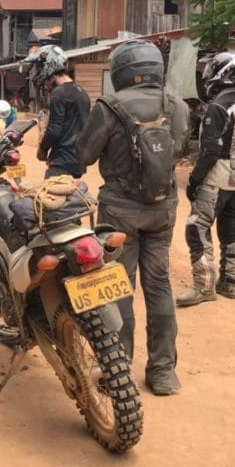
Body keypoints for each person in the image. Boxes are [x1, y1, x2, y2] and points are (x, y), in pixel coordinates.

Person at [80, 41, 190, 396]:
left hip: (119, 212)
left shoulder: (108, 107)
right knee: (159, 286)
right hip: (163, 209)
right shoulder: (178, 106)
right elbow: (179, 150)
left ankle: (120, 368)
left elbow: (84, 154)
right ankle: (162, 372)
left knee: (118, 286)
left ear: (122, 71)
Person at [178, 53, 235, 307]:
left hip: (217, 177)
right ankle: (230, 282)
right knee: (230, 226)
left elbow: (210, 150)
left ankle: (204, 286)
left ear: (223, 74)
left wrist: (194, 180)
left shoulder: (218, 107)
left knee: (197, 228)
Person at [31, 46, 90, 179]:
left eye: (41, 69)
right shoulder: (82, 92)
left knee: (49, 197)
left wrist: (43, 150)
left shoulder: (59, 93)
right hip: (78, 161)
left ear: (50, 69)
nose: (45, 85)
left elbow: (54, 129)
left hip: (63, 160)